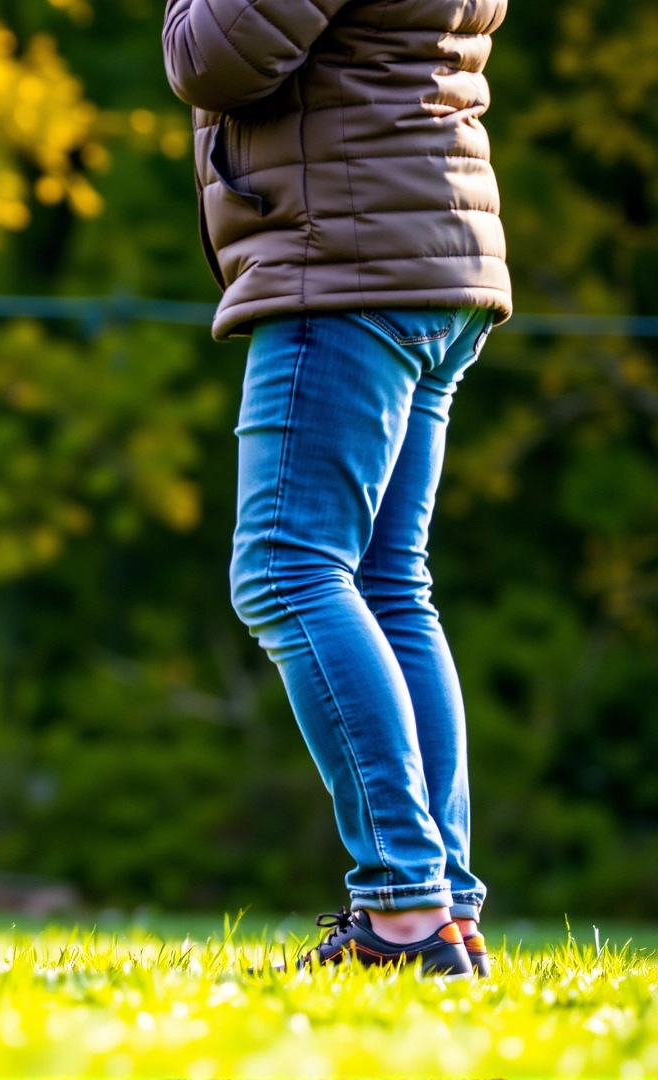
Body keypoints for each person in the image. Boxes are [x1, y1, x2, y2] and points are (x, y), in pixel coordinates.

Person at [164, 0, 509, 976]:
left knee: (287, 571)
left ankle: (403, 909)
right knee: (390, 581)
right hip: (427, 249)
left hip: (350, 258)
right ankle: (443, 908)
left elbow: (216, 54)